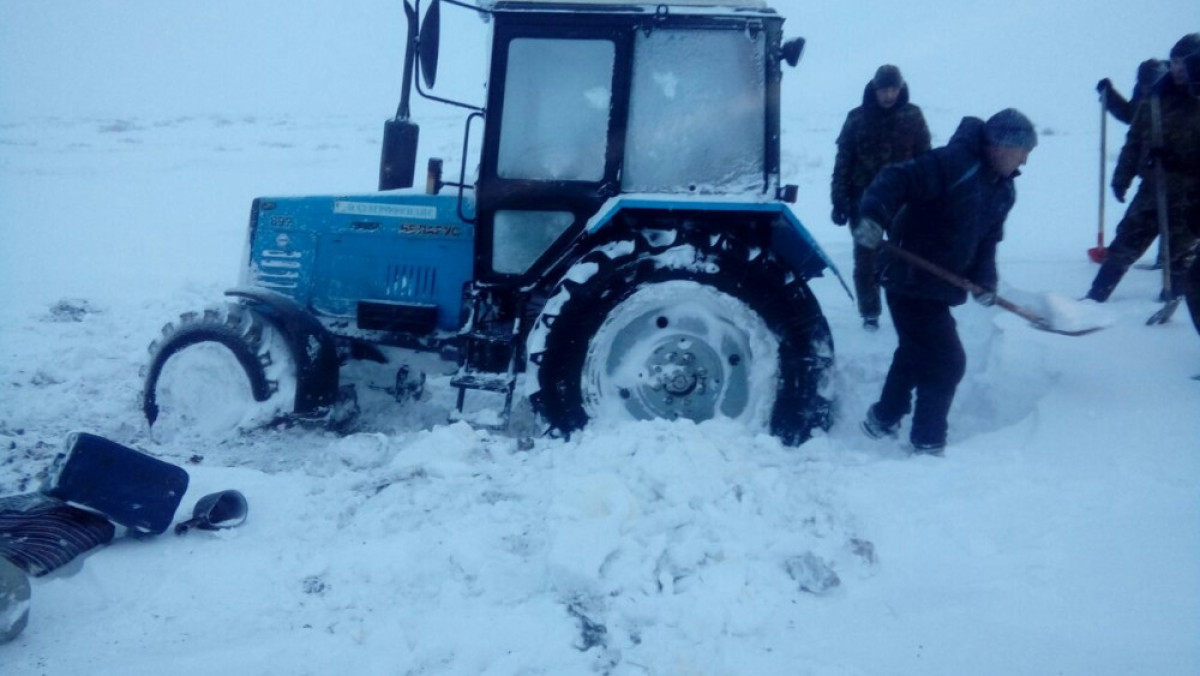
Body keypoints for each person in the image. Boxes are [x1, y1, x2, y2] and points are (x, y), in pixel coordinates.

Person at [851, 108, 1037, 456]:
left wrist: (985, 281)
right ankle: (927, 440)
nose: (1025, 159)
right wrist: (873, 216)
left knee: (914, 351)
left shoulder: (1003, 190)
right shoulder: (955, 163)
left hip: (939, 285)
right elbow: (896, 178)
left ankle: (882, 418)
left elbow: (988, 240)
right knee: (947, 360)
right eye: (1022, 150)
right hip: (907, 276)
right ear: (1000, 145)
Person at [1086, 33, 1200, 304]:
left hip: (1192, 196)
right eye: (1173, 63)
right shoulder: (1156, 97)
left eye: (1183, 64)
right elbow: (1135, 137)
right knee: (1127, 240)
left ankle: (1172, 303)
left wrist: (1181, 161)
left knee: (1180, 253)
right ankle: (1095, 298)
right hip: (1154, 187)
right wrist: (1121, 177)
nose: (1176, 69)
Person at [831, 64, 931, 331]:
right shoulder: (856, 118)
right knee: (866, 257)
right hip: (863, 203)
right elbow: (843, 162)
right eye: (884, 89)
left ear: (900, 89)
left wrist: (927, 199)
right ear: (874, 89)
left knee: (908, 257)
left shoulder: (913, 116)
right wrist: (838, 200)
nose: (889, 95)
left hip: (903, 203)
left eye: (893, 89)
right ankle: (870, 314)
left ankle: (909, 312)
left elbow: (926, 161)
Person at [1097, 58, 1169, 125]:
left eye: (1148, 88)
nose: (1145, 91)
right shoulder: (1140, 91)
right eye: (1143, 87)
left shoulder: (1172, 88)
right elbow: (1131, 115)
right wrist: (1109, 95)